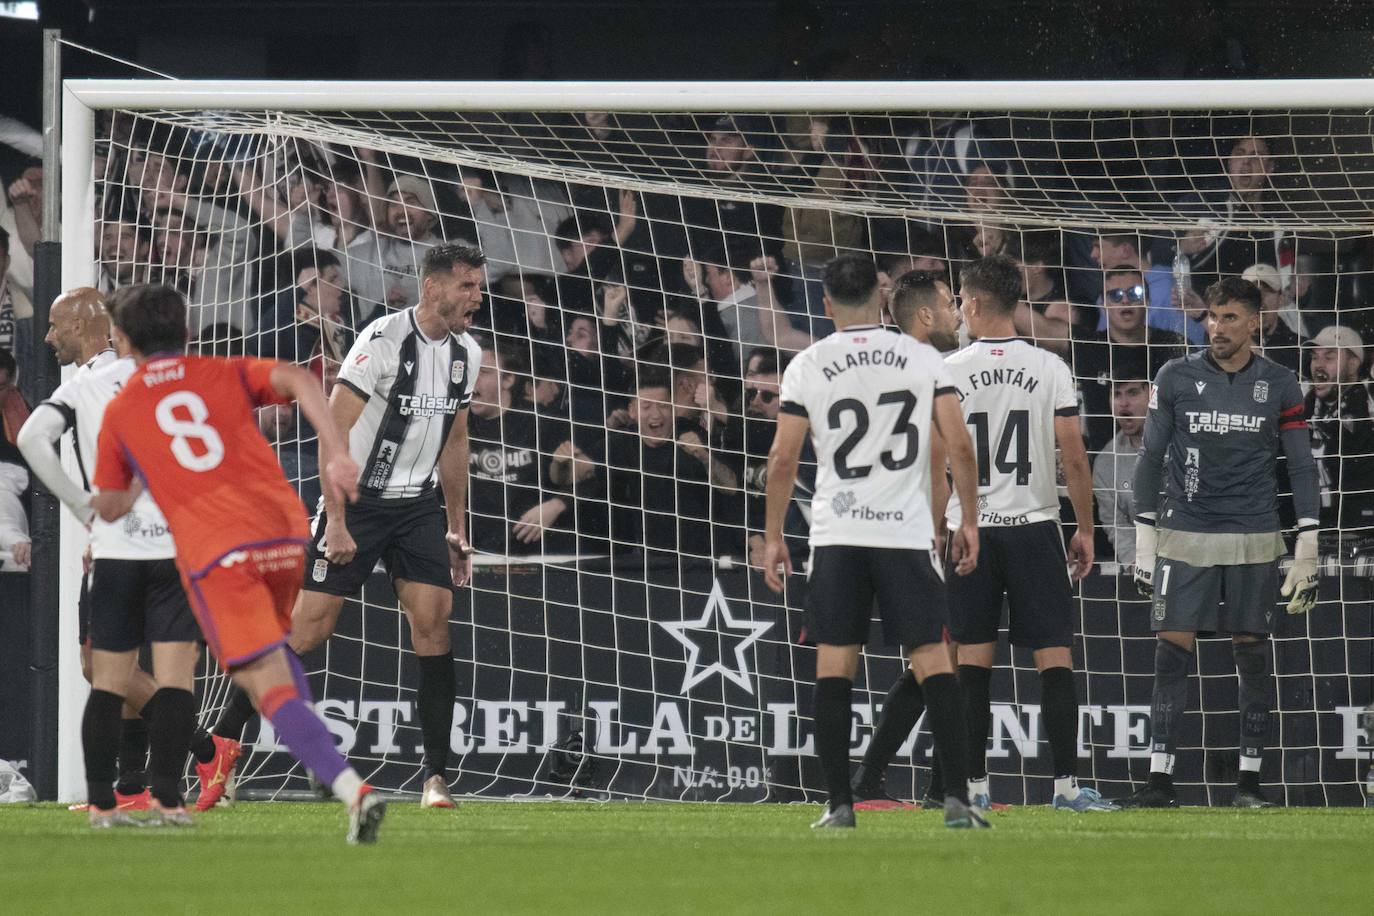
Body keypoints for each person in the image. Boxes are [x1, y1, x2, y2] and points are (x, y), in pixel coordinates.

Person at [89, 284, 386, 843]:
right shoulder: (220, 370)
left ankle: (351, 788)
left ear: (123, 340)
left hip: (221, 550)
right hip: (285, 531)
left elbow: (108, 504)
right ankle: (333, 772)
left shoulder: (122, 408)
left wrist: (138, 484)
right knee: (274, 656)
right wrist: (337, 449)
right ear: (185, 333)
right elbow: (300, 378)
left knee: (261, 677)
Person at [204, 244, 484, 811]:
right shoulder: (380, 343)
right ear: (433, 289)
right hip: (356, 503)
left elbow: (456, 442)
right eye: (468, 288)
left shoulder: (467, 354)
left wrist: (456, 527)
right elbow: (333, 433)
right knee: (304, 633)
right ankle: (222, 753)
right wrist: (335, 521)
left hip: (418, 507)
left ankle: (436, 780)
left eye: (478, 288)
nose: (477, 299)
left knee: (434, 624)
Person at [760, 254, 988, 830]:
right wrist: (968, 521)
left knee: (835, 667)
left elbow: (783, 457)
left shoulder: (808, 363)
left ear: (827, 304)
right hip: (905, 534)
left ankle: (839, 804)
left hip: (838, 534)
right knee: (935, 662)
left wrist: (772, 537)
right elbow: (959, 446)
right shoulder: (922, 357)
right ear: (882, 300)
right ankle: (957, 799)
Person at [17, 287, 228, 825]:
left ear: (99, 327)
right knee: (158, 670)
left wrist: (88, 512)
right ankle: (138, 786)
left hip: (118, 545)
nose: (47, 338)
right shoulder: (178, 384)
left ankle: (201, 751)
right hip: (176, 544)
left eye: (55, 326)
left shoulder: (90, 386)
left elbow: (30, 437)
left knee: (100, 669)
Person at [1124, 277, 1321, 809]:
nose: (1217, 328)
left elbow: (1301, 467)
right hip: (1185, 530)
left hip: (1255, 535)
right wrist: (1145, 546)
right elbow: (1149, 462)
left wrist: (1307, 545)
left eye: (1230, 317)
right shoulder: (1176, 376)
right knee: (1170, 655)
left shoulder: (1280, 383)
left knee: (1253, 657)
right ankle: (1159, 779)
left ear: (1255, 321)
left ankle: (1249, 784)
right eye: (1211, 317)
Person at [931, 255, 1115, 812]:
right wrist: (1083, 529)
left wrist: (937, 531)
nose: (960, 310)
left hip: (974, 531)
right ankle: (1066, 789)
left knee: (973, 665)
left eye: (962, 300)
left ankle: (975, 791)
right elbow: (1075, 459)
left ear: (978, 304)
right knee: (1055, 661)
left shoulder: (947, 371)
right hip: (1037, 530)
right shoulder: (1051, 366)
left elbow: (939, 462)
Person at [846, 270, 967, 807]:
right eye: (947, 303)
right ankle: (909, 788)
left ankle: (896, 785)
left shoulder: (876, 365)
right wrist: (944, 532)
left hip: (871, 526)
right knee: (941, 657)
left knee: (936, 657)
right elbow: (939, 462)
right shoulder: (926, 371)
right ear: (924, 315)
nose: (956, 312)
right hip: (912, 535)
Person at [1072, 268, 1188, 453]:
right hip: (1105, 467)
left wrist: (1202, 316)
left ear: (1148, 301)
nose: (1125, 300)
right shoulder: (1088, 346)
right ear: (1103, 305)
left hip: (1166, 461)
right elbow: (1041, 329)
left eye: (1135, 293)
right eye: (1115, 295)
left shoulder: (1174, 346)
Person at [1305, 325, 1374, 536]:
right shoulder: (1309, 401)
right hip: (1319, 522)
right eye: (1314, 357)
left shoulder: (1366, 401)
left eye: (1329, 357)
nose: (1318, 365)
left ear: (1353, 363)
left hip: (1359, 525)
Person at [1092, 366, 1151, 566]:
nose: (1123, 404)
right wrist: (1134, 562)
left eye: (1133, 393)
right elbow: (1115, 524)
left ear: (1152, 394)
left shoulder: (1183, 445)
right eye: (1116, 394)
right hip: (1144, 564)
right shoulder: (1105, 463)